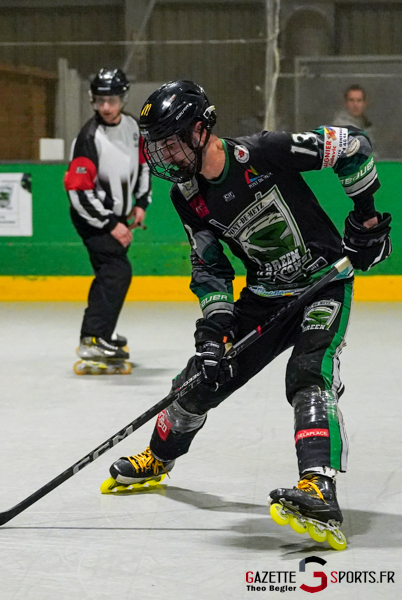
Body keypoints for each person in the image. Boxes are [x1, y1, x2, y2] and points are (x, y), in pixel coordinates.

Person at [100, 80, 392, 549]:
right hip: (265, 296)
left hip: (323, 283)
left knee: (308, 376)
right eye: (158, 148)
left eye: (172, 144)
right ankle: (159, 456)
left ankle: (319, 487)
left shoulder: (266, 152)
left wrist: (367, 219)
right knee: (199, 378)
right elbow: (209, 267)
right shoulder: (188, 197)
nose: (165, 157)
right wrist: (214, 329)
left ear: (200, 130)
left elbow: (353, 145)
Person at [65, 68, 151, 375]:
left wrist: (141, 203)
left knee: (111, 272)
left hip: (115, 216)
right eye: (100, 100)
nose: (106, 106)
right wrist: (109, 224)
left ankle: (102, 334)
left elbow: (143, 165)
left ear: (122, 99)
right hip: (92, 218)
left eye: (112, 100)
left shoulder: (132, 128)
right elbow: (78, 192)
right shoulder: (88, 138)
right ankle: (93, 338)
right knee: (116, 271)